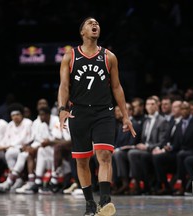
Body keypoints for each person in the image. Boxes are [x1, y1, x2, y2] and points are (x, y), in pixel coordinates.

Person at [57, 17, 136, 216]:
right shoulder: (70, 56)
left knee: (104, 155)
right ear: (82, 31)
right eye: (90, 23)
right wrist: (61, 108)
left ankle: (105, 201)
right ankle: (90, 204)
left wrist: (125, 116)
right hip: (79, 112)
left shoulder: (109, 57)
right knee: (82, 161)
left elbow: (117, 87)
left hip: (104, 112)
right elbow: (64, 86)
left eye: (98, 23)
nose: (95, 25)